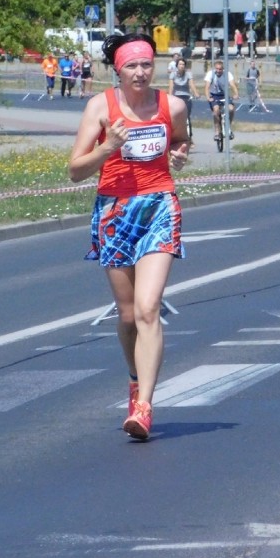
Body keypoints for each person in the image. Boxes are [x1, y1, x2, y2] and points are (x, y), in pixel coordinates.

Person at [68, 33, 190, 441]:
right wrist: (109, 148)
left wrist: (181, 151)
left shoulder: (171, 106)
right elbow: (75, 169)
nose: (140, 72)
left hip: (159, 205)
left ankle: (144, 406)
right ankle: (135, 378)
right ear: (117, 70)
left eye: (146, 64)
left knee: (148, 308)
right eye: (131, 66)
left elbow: (179, 138)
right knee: (126, 315)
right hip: (115, 211)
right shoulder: (100, 108)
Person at [204, 60, 239, 142]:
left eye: (220, 69)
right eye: (217, 69)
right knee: (216, 111)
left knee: (231, 109)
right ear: (215, 69)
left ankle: (228, 126)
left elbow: (232, 85)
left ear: (223, 69)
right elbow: (207, 87)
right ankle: (217, 131)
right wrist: (208, 97)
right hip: (214, 95)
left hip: (224, 95)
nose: (218, 71)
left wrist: (236, 94)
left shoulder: (227, 74)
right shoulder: (211, 74)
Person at [168, 57, 199, 139]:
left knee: (187, 116)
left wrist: (196, 93)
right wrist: (170, 97)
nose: (181, 66)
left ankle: (190, 137)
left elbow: (191, 84)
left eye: (183, 64)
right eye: (180, 64)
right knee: (175, 117)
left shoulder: (188, 74)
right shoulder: (173, 74)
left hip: (186, 96)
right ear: (177, 65)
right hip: (176, 97)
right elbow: (171, 87)